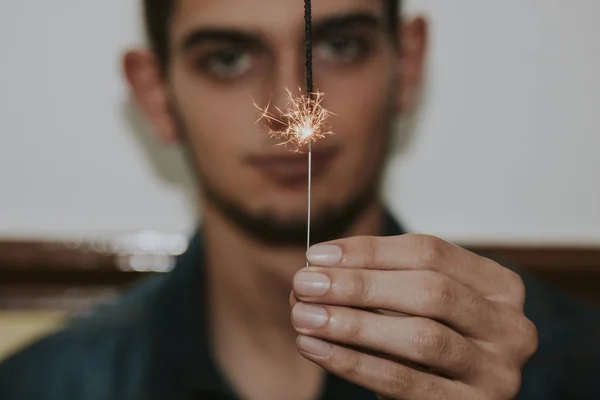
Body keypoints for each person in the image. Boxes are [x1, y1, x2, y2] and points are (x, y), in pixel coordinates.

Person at [1, 0, 598, 399]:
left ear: (407, 64)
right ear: (155, 94)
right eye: (228, 58)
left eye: (340, 46)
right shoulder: (43, 386)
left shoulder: (567, 366)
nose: (292, 109)